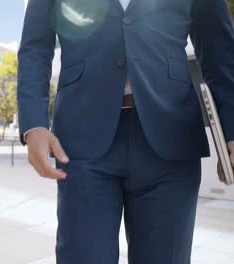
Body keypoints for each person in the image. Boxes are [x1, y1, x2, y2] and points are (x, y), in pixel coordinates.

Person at [18, 0, 234, 263]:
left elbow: (220, 52)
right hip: (84, 137)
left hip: (171, 139)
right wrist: (34, 123)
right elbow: (35, 46)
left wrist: (231, 131)